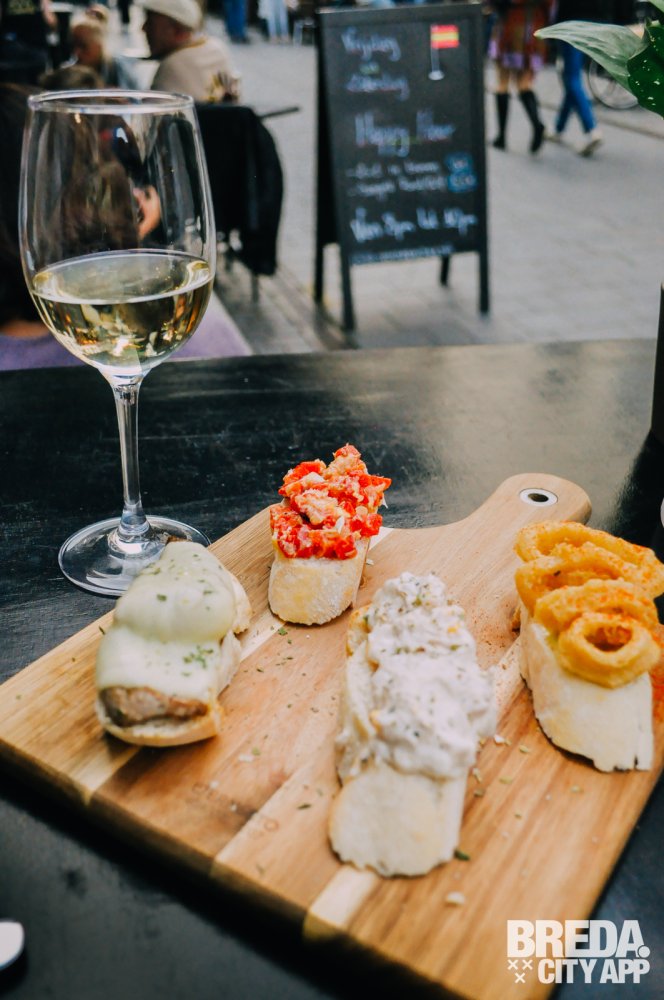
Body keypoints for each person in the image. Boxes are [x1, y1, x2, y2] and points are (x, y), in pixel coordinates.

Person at [143, 0, 240, 102]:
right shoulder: (217, 48)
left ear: (177, 31)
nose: (143, 28)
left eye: (151, 24)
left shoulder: (172, 65)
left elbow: (151, 111)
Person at [489, 0, 551, 154]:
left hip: (510, 24)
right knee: (524, 83)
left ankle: (501, 137)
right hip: (534, 26)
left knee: (502, 82)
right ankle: (537, 124)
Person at [548, 0, 603, 156]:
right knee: (571, 79)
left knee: (572, 78)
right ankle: (558, 127)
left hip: (571, 22)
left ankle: (591, 129)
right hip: (593, 21)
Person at [69, 6, 141, 89]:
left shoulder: (118, 70)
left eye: (83, 46)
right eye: (73, 45)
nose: (76, 52)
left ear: (99, 45)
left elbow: (134, 94)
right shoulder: (69, 73)